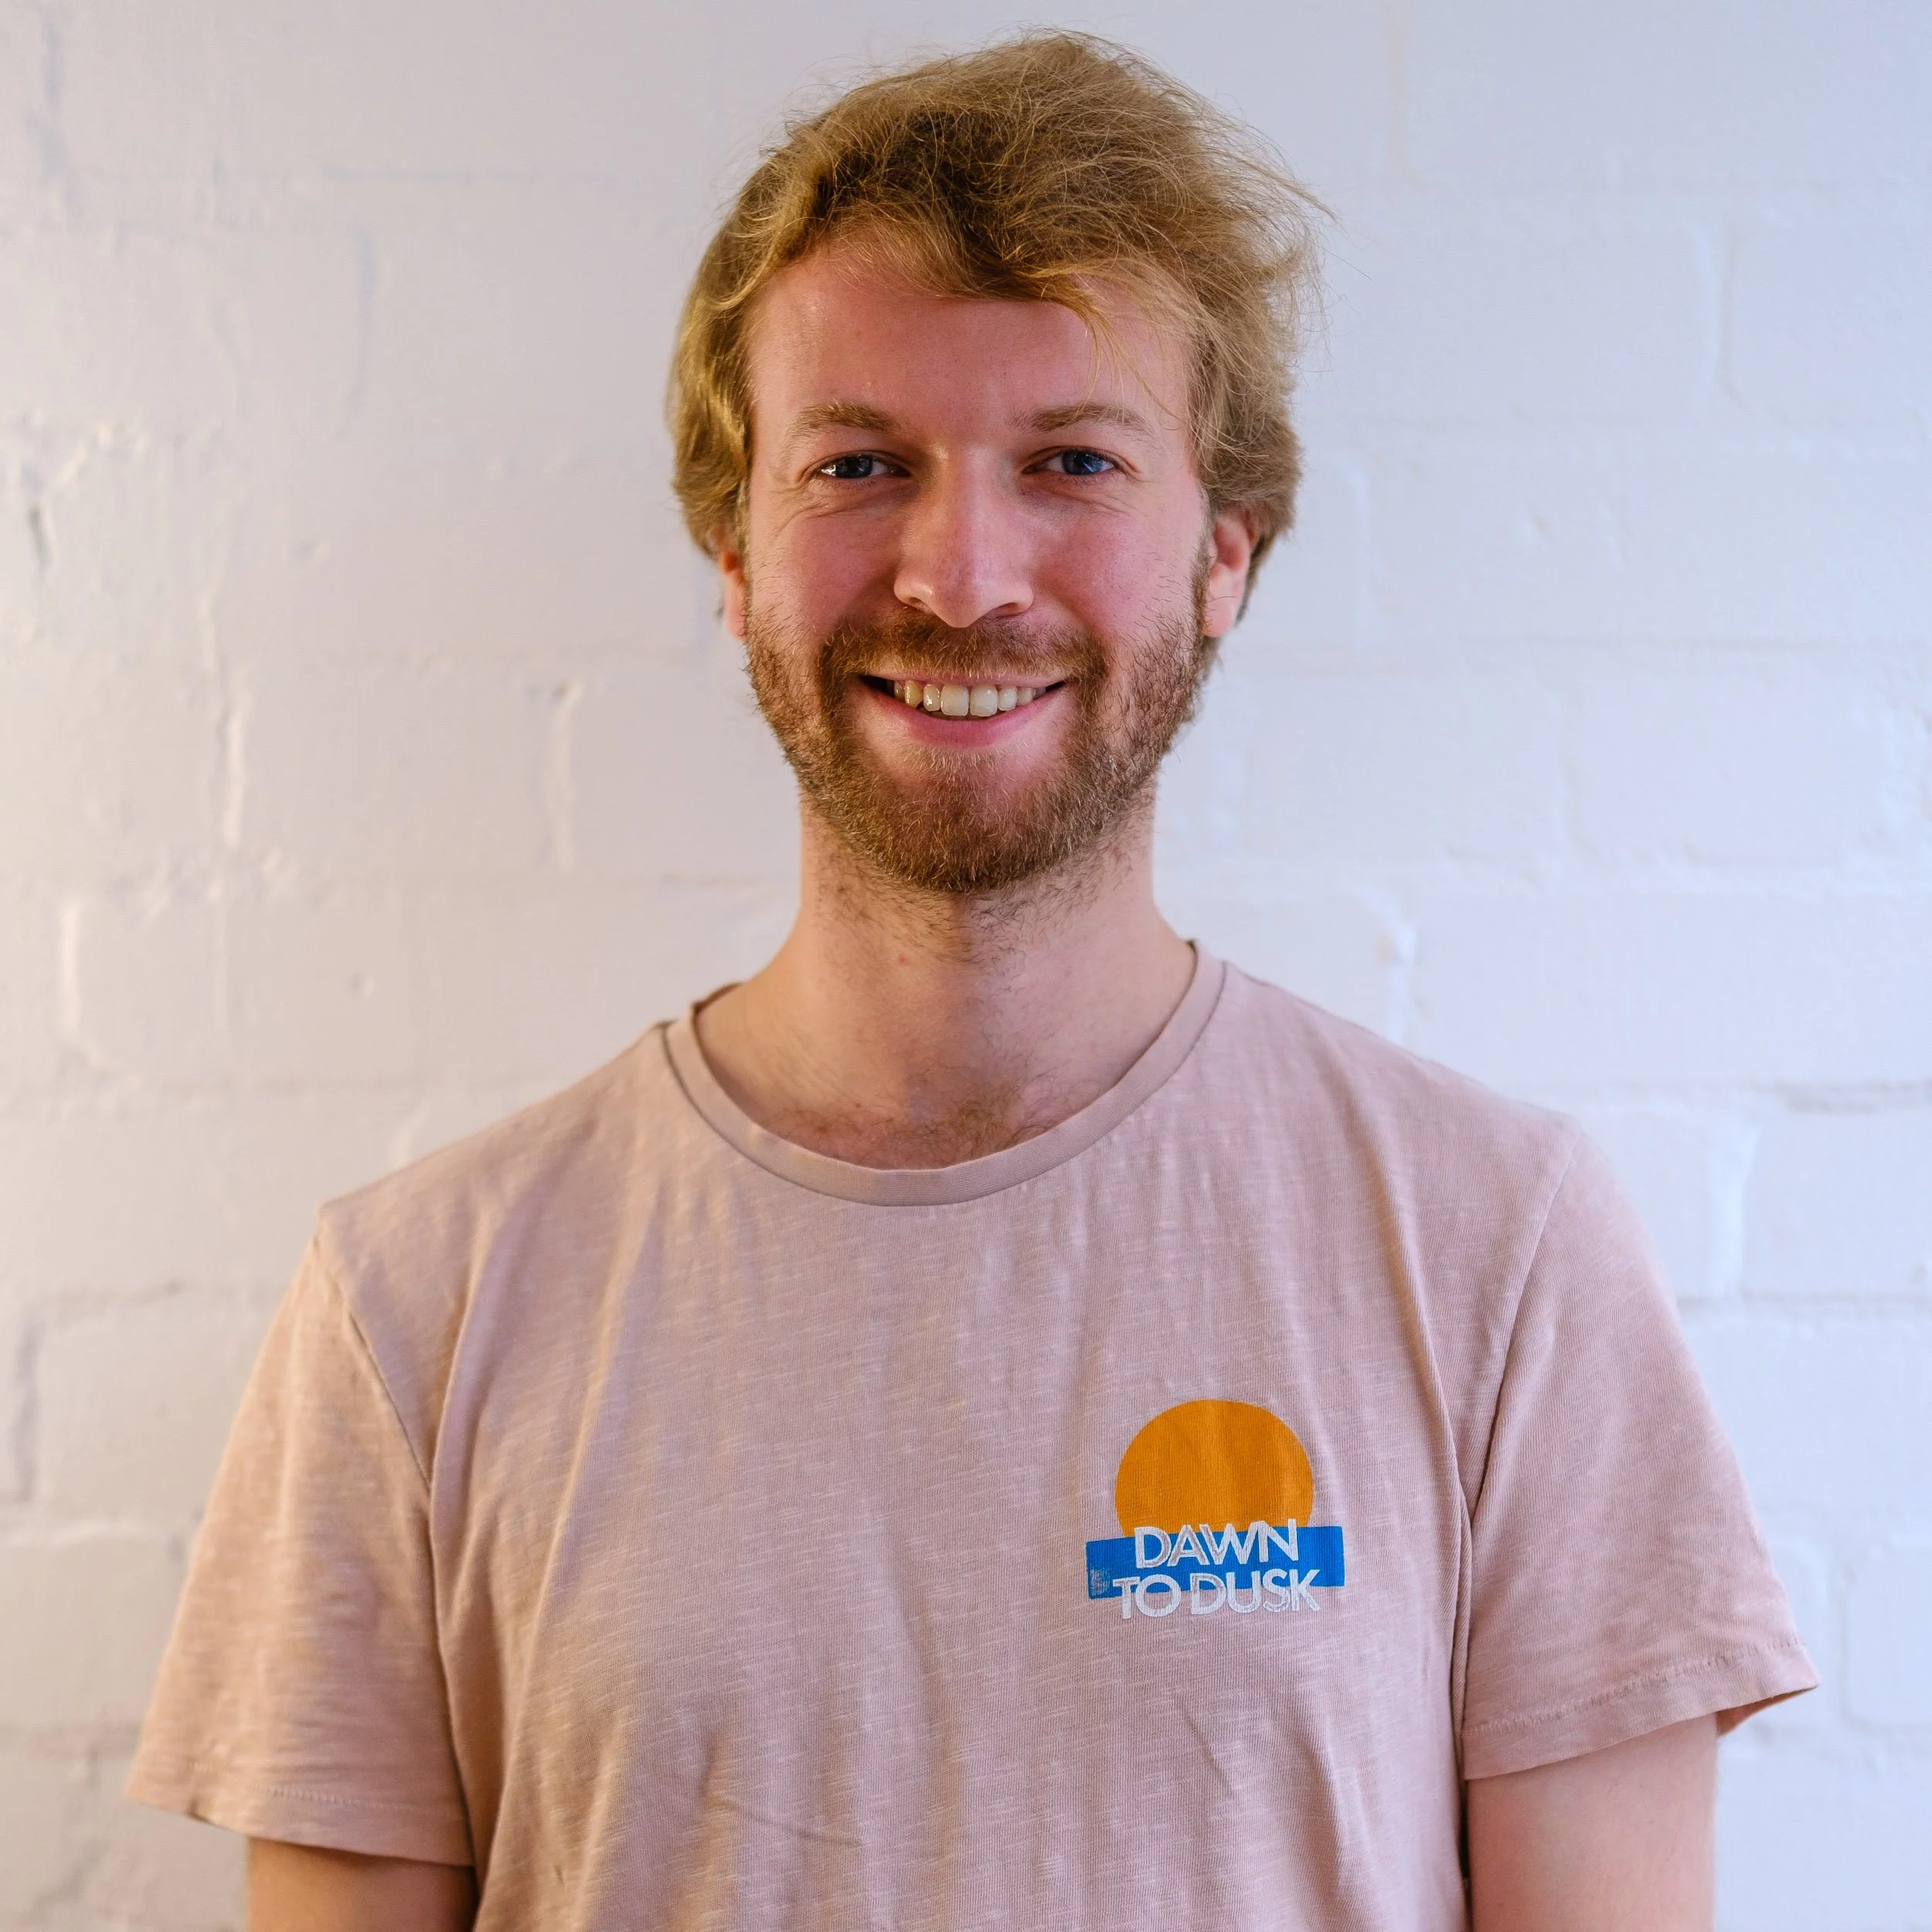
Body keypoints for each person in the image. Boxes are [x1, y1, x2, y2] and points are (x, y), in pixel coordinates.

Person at [130, 32, 1814, 1931]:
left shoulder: (1493, 1251)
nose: (958, 569)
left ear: (1220, 559)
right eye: (860, 462)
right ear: (733, 553)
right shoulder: (414, 1309)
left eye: (1071, 463)